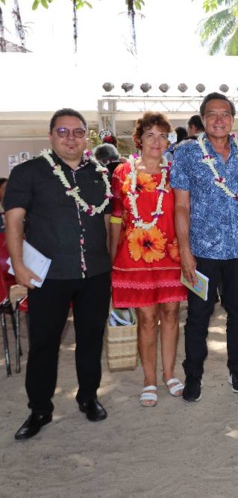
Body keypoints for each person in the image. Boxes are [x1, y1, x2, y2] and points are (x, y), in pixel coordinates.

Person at [7, 108, 112, 440]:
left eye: (78, 132)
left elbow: (107, 221)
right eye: (63, 132)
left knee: (91, 339)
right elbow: (14, 221)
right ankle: (39, 409)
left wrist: (111, 261)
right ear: (51, 136)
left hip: (95, 273)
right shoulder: (28, 172)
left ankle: (88, 397)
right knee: (44, 344)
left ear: (86, 137)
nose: (71, 138)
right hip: (50, 276)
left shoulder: (99, 173)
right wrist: (19, 267)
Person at [171, 92, 238, 402]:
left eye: (225, 114)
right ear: (203, 120)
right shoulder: (186, 154)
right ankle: (193, 376)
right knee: (198, 316)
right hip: (203, 251)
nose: (219, 119)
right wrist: (184, 252)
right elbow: (180, 207)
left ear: (232, 119)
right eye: (212, 114)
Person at [110, 112, 187, 406]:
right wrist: (111, 259)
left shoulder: (176, 171)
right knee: (146, 319)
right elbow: (116, 218)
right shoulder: (121, 173)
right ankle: (149, 379)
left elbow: (184, 212)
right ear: (139, 139)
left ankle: (169, 374)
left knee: (170, 315)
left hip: (170, 254)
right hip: (134, 258)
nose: (157, 141)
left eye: (163, 135)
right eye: (151, 135)